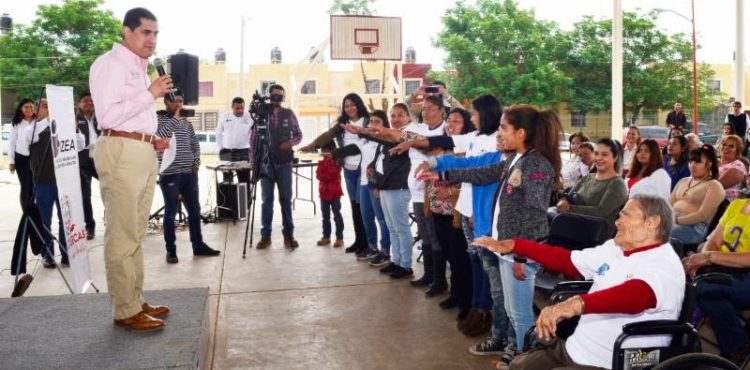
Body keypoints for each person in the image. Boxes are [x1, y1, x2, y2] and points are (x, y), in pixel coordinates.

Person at [473, 195, 685, 370]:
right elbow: (566, 259)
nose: (617, 222)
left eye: (625, 215)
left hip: (611, 362)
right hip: (576, 347)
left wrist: (573, 305)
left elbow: (638, 295)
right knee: (519, 366)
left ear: (652, 222)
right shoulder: (615, 248)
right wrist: (514, 245)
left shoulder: (664, 262)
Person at [423, 104, 563, 368]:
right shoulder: (515, 159)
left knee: (520, 314)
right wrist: (443, 173)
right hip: (507, 249)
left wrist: (524, 254)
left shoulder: (536, 165)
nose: (499, 133)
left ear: (521, 132)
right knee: (512, 310)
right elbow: (483, 173)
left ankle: (524, 360)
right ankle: (517, 350)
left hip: (519, 252)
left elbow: (535, 214)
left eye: (504, 128)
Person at [89, 7, 173, 331]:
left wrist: (152, 140)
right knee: (122, 232)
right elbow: (108, 117)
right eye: (145, 32)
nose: (151, 39)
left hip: (140, 149)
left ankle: (135, 299)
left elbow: (132, 114)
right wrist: (151, 93)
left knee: (136, 231)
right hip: (120, 151)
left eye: (155, 34)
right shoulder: (110, 65)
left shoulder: (139, 69)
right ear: (127, 31)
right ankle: (124, 308)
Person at [299, 93, 369, 255]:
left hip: (363, 169)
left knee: (363, 208)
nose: (350, 108)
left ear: (359, 104)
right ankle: (359, 241)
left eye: (353, 104)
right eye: (346, 106)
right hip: (349, 170)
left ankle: (368, 243)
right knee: (354, 207)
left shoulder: (367, 121)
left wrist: (335, 153)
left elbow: (357, 147)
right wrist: (312, 145)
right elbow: (328, 135)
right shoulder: (342, 123)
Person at [156, 90, 220, 263]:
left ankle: (198, 246)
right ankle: (171, 250)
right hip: (170, 175)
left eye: (181, 101)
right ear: (166, 102)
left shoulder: (186, 122)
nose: (179, 105)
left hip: (189, 174)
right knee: (170, 213)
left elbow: (194, 144)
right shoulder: (158, 119)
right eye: (175, 101)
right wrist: (176, 118)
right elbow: (161, 136)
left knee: (194, 211)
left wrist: (196, 165)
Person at [684, 197, 750, 366]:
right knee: (704, 289)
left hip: (746, 275)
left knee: (701, 287)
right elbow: (712, 240)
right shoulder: (737, 205)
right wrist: (707, 262)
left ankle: (685, 341)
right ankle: (736, 346)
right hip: (723, 267)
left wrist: (708, 258)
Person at [23, 99, 85, 268]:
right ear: (37, 111)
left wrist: (74, 127)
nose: (50, 109)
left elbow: (81, 144)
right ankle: (47, 254)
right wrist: (49, 121)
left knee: (66, 218)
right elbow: (29, 138)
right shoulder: (33, 128)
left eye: (52, 106)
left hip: (65, 181)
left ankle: (67, 253)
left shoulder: (65, 128)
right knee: (44, 219)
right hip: (44, 182)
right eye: (45, 106)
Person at [249, 84, 302, 249]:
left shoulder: (289, 114)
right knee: (267, 201)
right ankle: (266, 236)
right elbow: (253, 139)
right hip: (266, 164)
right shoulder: (261, 114)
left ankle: (289, 235)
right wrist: (254, 162)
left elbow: (299, 134)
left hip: (285, 164)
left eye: (280, 96)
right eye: (274, 95)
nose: (277, 98)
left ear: (283, 97)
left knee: (286, 200)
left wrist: (290, 143)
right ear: (269, 96)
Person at [335, 110, 391, 262]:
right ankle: (372, 247)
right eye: (371, 122)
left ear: (384, 124)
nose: (373, 124)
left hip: (376, 185)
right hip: (364, 183)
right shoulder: (365, 140)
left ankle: (385, 250)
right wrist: (332, 154)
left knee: (382, 219)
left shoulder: (386, 140)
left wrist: (378, 186)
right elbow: (350, 149)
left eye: (377, 122)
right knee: (366, 218)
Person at [366, 107, 413, 278]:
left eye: (401, 115)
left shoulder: (407, 135)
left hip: (398, 187)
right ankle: (397, 261)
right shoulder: (387, 136)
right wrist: (373, 170)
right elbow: (380, 159)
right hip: (385, 186)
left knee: (401, 228)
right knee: (392, 227)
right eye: (393, 116)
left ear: (409, 118)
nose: (396, 119)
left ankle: (406, 265)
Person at [553, 139, 629, 238]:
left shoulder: (617, 184)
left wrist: (568, 208)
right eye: (596, 154)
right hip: (572, 230)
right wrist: (562, 201)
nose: (599, 158)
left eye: (604, 154)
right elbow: (568, 197)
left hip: (595, 239)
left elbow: (601, 212)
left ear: (615, 157)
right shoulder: (587, 178)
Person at [669, 144, 725, 244]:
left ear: (709, 164)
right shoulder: (684, 180)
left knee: (655, 233)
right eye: (690, 161)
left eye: (697, 162)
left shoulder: (714, 185)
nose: (692, 165)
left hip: (694, 228)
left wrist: (676, 220)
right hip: (673, 219)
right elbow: (669, 203)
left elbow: (702, 215)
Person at [76, 91, 100, 240]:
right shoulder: (74, 119)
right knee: (85, 196)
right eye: (86, 101)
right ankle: (89, 226)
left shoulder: (101, 118)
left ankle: (112, 221)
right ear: (79, 104)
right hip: (83, 162)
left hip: (100, 160)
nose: (89, 104)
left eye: (92, 101)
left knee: (112, 190)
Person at [216, 97, 253, 185]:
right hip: (226, 151)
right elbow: (219, 133)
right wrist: (220, 148)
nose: (240, 110)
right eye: (237, 108)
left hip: (244, 152)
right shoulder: (224, 116)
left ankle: (246, 199)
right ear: (232, 107)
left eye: (242, 108)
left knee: (244, 180)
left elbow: (254, 136)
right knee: (227, 181)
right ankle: (229, 199)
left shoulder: (250, 118)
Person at [315, 142, 344, 248]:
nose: (324, 153)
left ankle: (339, 238)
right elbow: (318, 175)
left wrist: (323, 173)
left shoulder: (337, 162)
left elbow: (331, 174)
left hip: (335, 193)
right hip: (323, 193)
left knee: (337, 216)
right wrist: (323, 173)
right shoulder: (321, 162)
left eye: (326, 151)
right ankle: (326, 237)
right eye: (323, 151)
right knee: (325, 217)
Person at [8, 98, 36, 209]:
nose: (29, 109)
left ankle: (33, 210)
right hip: (21, 159)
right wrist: (11, 162)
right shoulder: (16, 123)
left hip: (35, 159)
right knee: (25, 186)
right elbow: (11, 143)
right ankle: (26, 211)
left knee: (34, 186)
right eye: (26, 107)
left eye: (31, 107)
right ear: (21, 109)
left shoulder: (38, 121)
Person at [718, 135, 748, 201]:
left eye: (731, 146)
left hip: (725, 206)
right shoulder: (713, 162)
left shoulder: (738, 166)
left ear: (737, 151)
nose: (726, 147)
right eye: (724, 144)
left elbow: (716, 186)